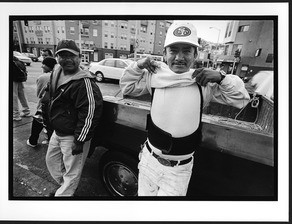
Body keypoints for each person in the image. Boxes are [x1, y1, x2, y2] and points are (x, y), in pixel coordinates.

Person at [120, 20, 250, 196]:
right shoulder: (154, 76)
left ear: (196, 54)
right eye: (173, 50)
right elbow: (127, 88)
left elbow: (241, 99)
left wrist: (221, 77)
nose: (179, 57)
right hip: (149, 161)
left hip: (178, 171)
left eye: (187, 51)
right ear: (164, 54)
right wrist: (138, 65)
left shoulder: (203, 82)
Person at [45, 40, 103, 197]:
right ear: (57, 58)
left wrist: (79, 140)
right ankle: (65, 188)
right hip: (58, 131)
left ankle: (64, 196)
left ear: (79, 57)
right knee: (52, 162)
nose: (67, 59)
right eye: (62, 55)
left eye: (71, 55)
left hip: (73, 136)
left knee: (72, 173)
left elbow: (90, 113)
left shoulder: (84, 82)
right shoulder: (57, 71)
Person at [26, 57, 57, 147]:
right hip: (57, 105)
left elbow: (39, 94)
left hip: (45, 105)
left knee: (37, 121)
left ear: (48, 66)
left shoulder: (43, 77)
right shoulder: (59, 75)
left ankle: (33, 141)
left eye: (44, 64)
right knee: (51, 124)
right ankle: (49, 139)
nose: (42, 66)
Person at [12, 56, 31, 121]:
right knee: (22, 95)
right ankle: (26, 111)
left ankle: (15, 115)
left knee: (13, 97)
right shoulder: (19, 62)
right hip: (19, 80)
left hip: (13, 80)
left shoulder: (12, 63)